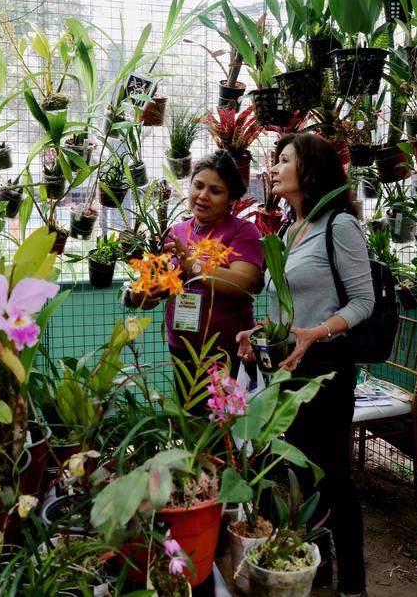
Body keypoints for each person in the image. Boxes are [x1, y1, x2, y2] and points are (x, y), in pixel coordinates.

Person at [236, 133, 374, 597]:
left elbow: (363, 302)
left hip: (326, 373)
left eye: (285, 160)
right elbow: (281, 308)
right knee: (290, 473)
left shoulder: (340, 227)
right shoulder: (286, 232)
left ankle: (354, 584)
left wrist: (318, 331)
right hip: (285, 371)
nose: (274, 168)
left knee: (331, 474)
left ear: (311, 171)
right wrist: (257, 336)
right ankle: (319, 570)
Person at [127, 149, 263, 381]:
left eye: (215, 191)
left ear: (231, 198)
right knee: (189, 415)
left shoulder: (242, 231)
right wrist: (141, 295)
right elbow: (162, 289)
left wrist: (194, 265)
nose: (203, 195)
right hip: (182, 350)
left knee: (226, 416)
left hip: (228, 351)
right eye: (198, 185)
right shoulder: (176, 232)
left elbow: (244, 283)